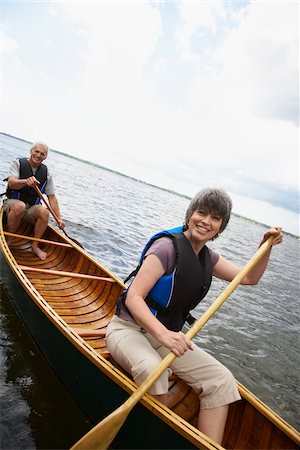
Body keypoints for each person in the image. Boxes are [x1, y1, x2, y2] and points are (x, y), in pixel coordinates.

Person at [106, 187, 283, 445]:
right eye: (201, 213)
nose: (205, 221)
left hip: (163, 338)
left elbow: (248, 277)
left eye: (215, 218)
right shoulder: (166, 247)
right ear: (190, 214)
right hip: (127, 330)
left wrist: (265, 247)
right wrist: (165, 335)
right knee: (153, 371)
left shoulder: (208, 258)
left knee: (220, 381)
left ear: (220, 228)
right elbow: (134, 298)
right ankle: (156, 436)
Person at [3, 142, 65, 260]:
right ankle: (9, 239)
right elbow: (11, 183)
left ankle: (35, 245)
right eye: (36, 151)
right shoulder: (18, 164)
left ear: (45, 157)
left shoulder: (46, 173)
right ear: (31, 152)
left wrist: (59, 218)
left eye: (42, 154)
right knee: (20, 206)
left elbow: (52, 197)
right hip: (12, 203)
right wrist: (25, 182)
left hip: (31, 208)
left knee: (45, 211)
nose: (38, 155)